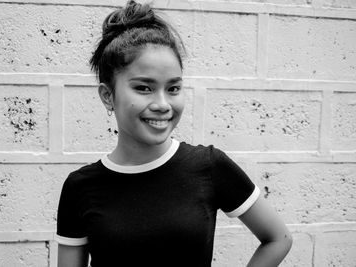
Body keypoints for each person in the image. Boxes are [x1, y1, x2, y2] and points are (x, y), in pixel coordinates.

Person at [55, 1, 292, 266]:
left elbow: (278, 238)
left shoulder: (209, 166)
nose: (163, 104)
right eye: (144, 88)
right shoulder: (80, 187)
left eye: (173, 88)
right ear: (108, 95)